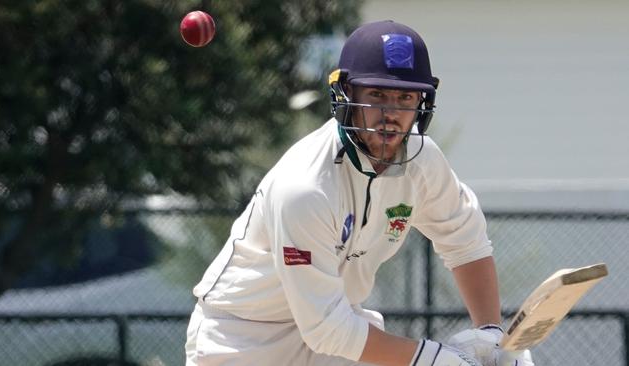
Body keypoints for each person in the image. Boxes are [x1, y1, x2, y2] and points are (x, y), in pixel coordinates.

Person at [185, 20, 533, 366]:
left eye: (405, 97)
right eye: (377, 95)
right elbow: (326, 329)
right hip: (245, 340)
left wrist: (490, 337)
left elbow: (466, 242)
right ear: (347, 96)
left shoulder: (423, 161)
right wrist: (438, 360)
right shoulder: (305, 188)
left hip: (333, 338)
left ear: (421, 104)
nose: (391, 114)